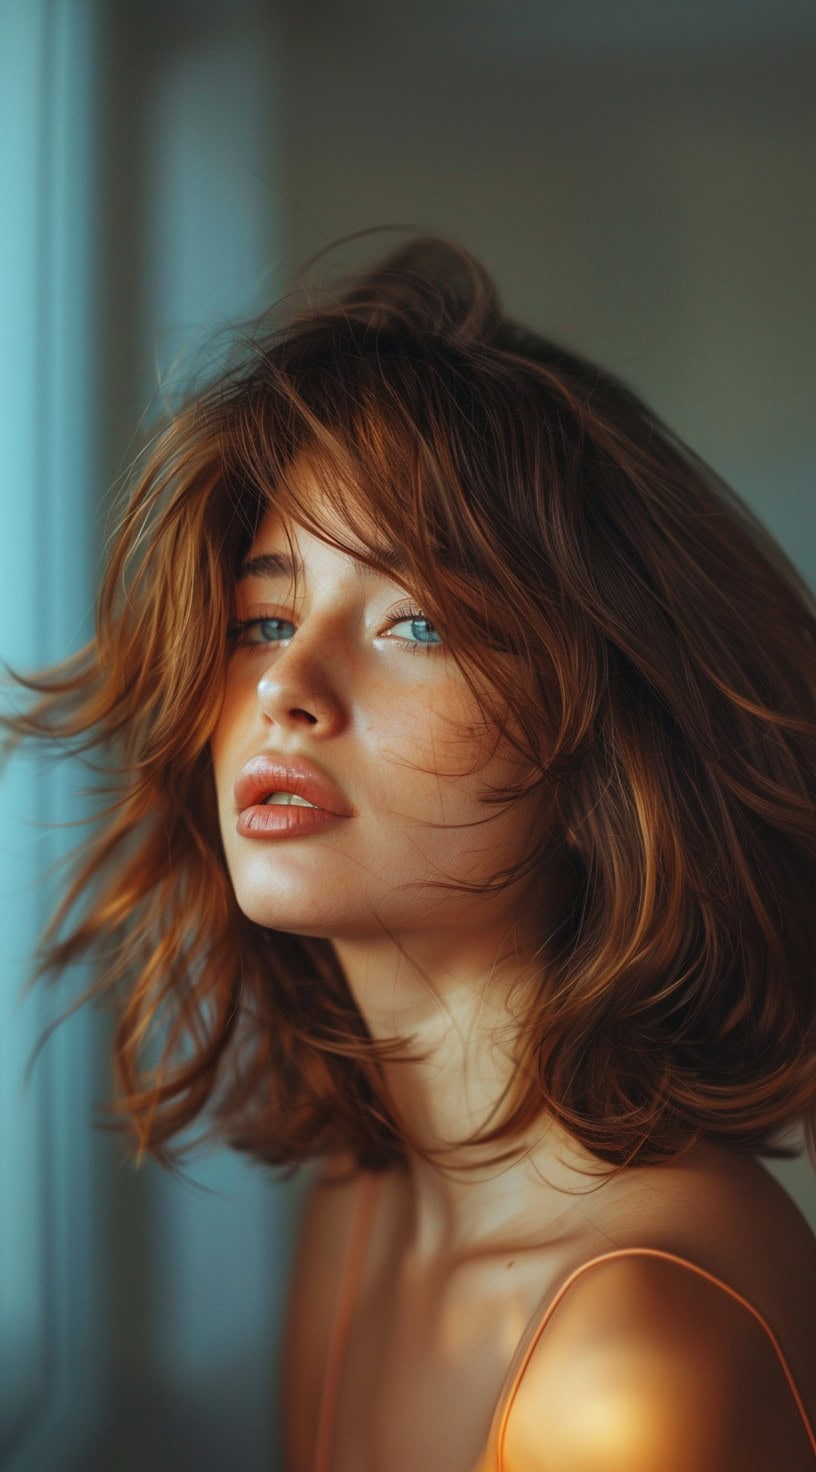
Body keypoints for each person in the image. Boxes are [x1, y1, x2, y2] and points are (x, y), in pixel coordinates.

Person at [4, 232, 816, 1471]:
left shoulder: (635, 1362)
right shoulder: (365, 1199)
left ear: (607, 731)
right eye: (263, 617)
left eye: (417, 622)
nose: (286, 684)